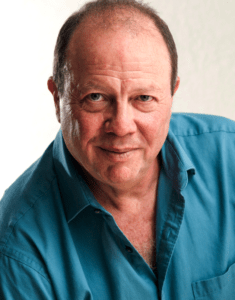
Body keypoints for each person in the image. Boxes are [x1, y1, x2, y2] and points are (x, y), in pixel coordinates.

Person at [1, 0, 235, 299]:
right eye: (96, 97)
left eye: (144, 98)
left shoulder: (230, 157)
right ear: (57, 97)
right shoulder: (18, 247)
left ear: (172, 94)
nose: (122, 126)